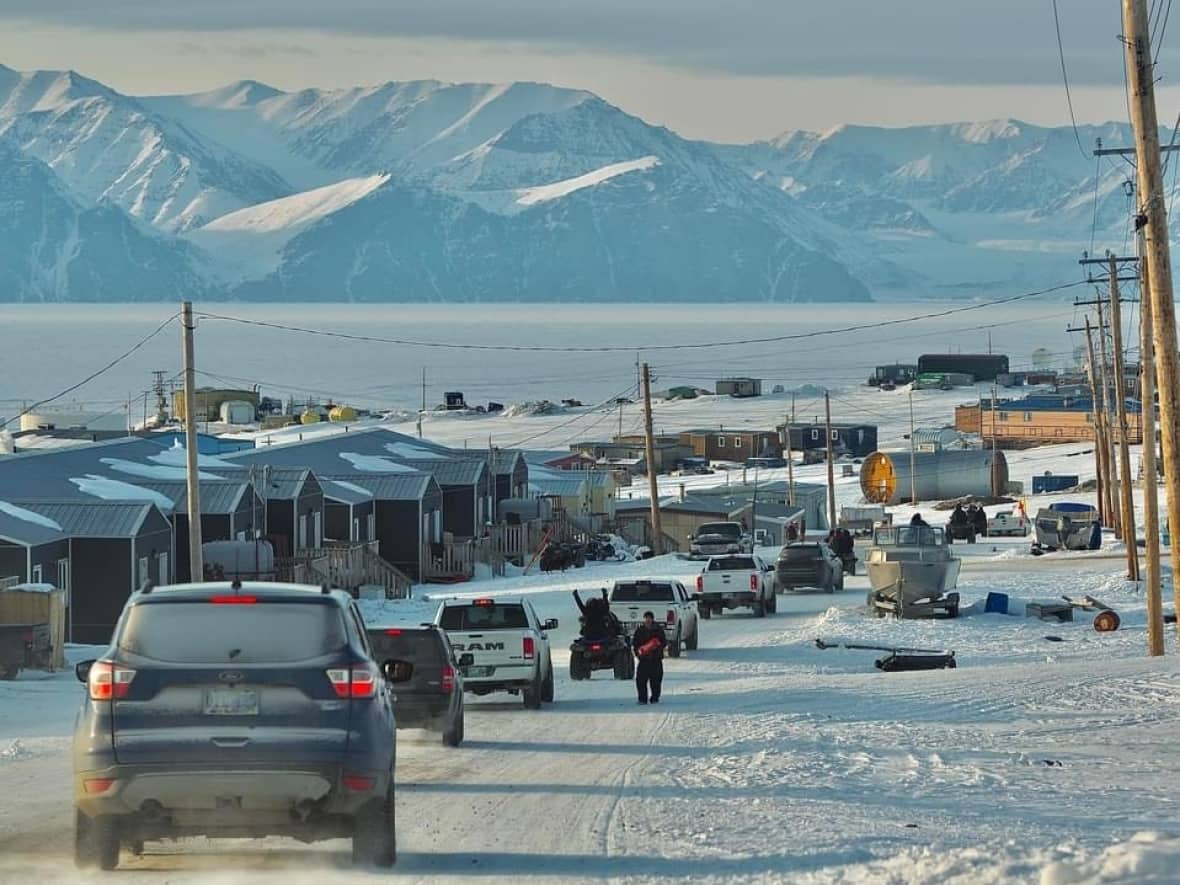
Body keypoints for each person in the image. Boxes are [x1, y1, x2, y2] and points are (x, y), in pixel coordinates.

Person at [631, 611, 667, 705]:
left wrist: (657, 647)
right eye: (646, 618)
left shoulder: (658, 630)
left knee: (656, 681)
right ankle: (642, 699)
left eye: (649, 618)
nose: (648, 620)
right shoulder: (640, 630)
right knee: (640, 680)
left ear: (652, 619)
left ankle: (655, 698)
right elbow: (635, 644)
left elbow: (663, 642)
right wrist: (639, 653)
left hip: (656, 660)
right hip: (644, 660)